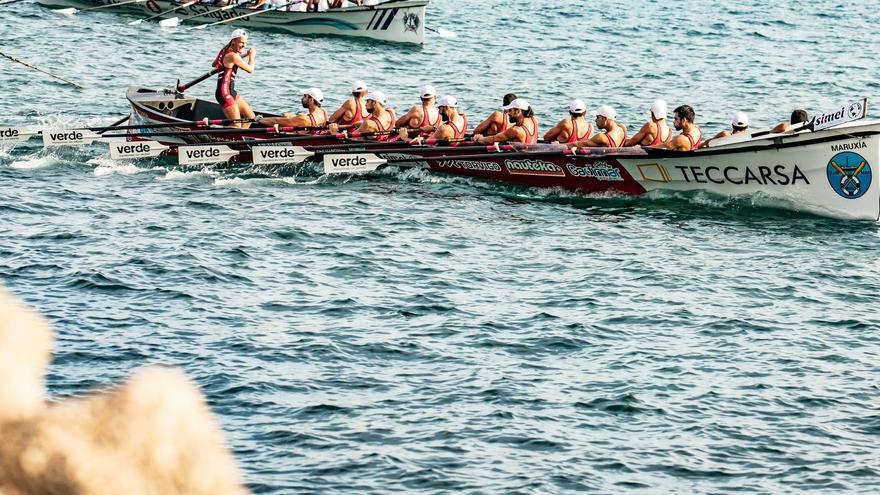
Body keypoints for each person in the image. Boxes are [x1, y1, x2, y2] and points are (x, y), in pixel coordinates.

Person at [213, 29, 256, 129]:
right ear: (234, 41)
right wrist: (252, 56)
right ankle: (215, 131)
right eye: (241, 42)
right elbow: (250, 70)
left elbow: (214, 65)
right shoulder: (233, 56)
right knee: (237, 124)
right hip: (224, 93)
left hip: (230, 91)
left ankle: (239, 140)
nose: (244, 46)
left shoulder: (223, 51)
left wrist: (244, 55)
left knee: (251, 117)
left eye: (245, 43)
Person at [329, 91, 396, 140]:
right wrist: (355, 125)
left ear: (374, 103)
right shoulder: (391, 113)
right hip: (382, 143)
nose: (365, 104)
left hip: (368, 149)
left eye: (367, 101)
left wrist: (334, 132)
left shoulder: (368, 124)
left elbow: (348, 139)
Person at [400, 95, 467, 144]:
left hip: (443, 154)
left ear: (446, 107)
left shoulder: (444, 129)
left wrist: (405, 138)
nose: (439, 112)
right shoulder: (464, 118)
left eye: (440, 109)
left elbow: (422, 145)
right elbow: (448, 133)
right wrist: (434, 128)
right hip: (453, 149)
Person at [258, 88, 327, 129]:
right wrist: (294, 117)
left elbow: (276, 121)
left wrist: (259, 119)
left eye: (304, 96)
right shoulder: (323, 112)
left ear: (311, 100)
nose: (302, 98)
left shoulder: (303, 118)